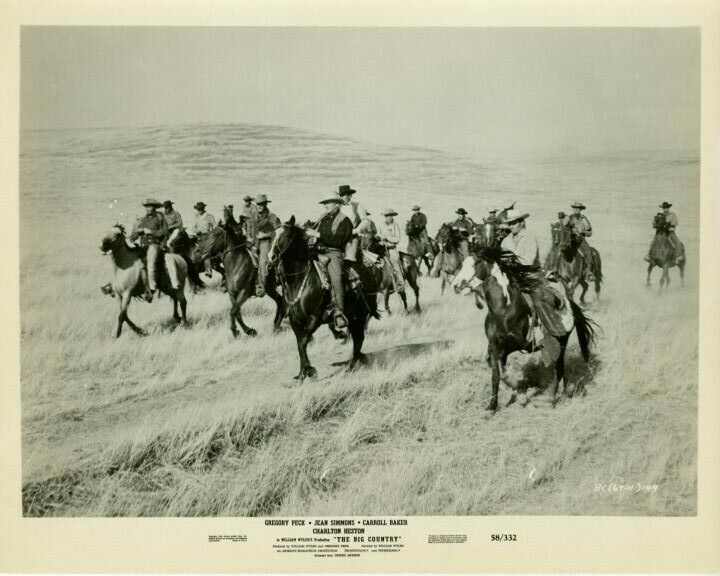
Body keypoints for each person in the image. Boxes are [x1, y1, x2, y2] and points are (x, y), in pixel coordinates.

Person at [305, 194, 354, 330]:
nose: (325, 205)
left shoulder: (345, 220)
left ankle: (339, 313)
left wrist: (318, 235)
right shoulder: (323, 218)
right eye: (325, 203)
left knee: (336, 279)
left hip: (334, 253)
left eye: (328, 203)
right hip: (317, 252)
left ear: (337, 204)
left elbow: (339, 241)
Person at [130, 198, 168, 302]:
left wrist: (150, 231)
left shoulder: (160, 218)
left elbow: (164, 232)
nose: (147, 208)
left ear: (154, 207)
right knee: (136, 264)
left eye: (149, 206)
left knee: (150, 264)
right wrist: (134, 236)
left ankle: (152, 287)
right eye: (146, 206)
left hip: (154, 244)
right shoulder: (143, 219)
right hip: (143, 245)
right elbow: (138, 232)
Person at [255, 194, 282, 296]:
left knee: (262, 262)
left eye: (261, 204)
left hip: (267, 242)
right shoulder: (255, 217)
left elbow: (278, 231)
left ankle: (262, 286)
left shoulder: (272, 216)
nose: (259, 206)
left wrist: (266, 234)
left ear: (266, 204)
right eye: (258, 204)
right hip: (255, 242)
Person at [379, 209, 406, 295]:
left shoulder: (395, 226)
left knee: (395, 264)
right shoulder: (381, 225)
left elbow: (398, 239)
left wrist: (387, 238)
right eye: (386, 216)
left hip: (392, 249)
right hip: (382, 249)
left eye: (390, 216)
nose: (388, 218)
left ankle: (400, 284)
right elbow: (379, 235)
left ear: (392, 216)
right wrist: (379, 239)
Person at [338, 184, 367, 262]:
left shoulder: (357, 206)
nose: (342, 197)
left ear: (350, 196)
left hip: (352, 237)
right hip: (338, 238)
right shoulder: (337, 207)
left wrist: (356, 230)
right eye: (341, 195)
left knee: (350, 259)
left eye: (344, 195)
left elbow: (364, 221)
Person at [566, 202, 594, 282]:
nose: (576, 210)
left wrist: (584, 231)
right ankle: (554, 270)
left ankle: (588, 273)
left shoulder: (584, 219)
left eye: (578, 208)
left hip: (581, 240)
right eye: (574, 208)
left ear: (581, 209)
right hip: (570, 240)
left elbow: (590, 232)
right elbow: (563, 228)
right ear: (573, 209)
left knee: (588, 252)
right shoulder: (569, 218)